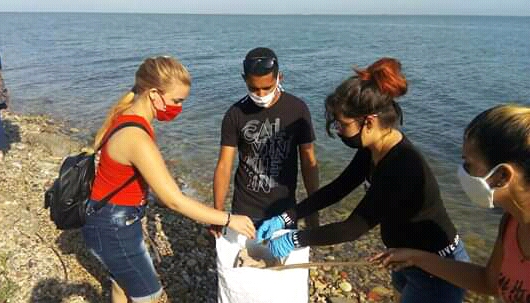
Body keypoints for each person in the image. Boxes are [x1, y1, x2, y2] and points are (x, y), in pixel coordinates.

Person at [257, 57, 470, 303]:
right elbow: (338, 188)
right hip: (405, 259)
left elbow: (351, 228)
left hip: (437, 268)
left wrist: (293, 239)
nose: (337, 129)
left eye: (342, 123)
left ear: (368, 122)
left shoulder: (402, 166)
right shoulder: (374, 148)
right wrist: (288, 216)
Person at [82, 56, 255, 303]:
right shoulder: (136, 137)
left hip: (104, 220)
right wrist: (229, 219)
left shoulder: (124, 116)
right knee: (151, 296)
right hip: (114, 227)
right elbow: (175, 201)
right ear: (154, 94)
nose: (179, 108)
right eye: (176, 101)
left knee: (122, 284)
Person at [372, 104, 530, 303]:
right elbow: (488, 281)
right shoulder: (511, 222)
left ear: (502, 175)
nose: (463, 171)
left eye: (468, 164)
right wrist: (416, 257)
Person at [209, 47, 319, 237]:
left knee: (280, 262)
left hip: (284, 209)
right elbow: (224, 165)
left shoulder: (297, 110)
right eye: (253, 88)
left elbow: (309, 162)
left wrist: (312, 207)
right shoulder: (235, 114)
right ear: (244, 80)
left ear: (279, 78)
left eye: (267, 88)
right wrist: (218, 213)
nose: (260, 94)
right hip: (245, 209)